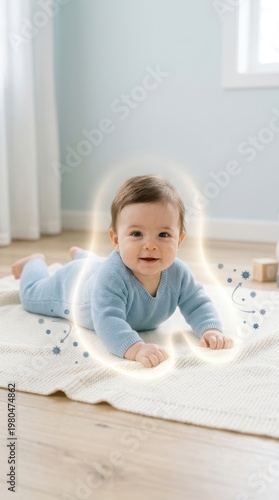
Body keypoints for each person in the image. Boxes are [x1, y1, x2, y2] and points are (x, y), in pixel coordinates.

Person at [12, 175, 234, 368]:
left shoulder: (179, 273)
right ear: (116, 240)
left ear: (180, 240)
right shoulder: (111, 277)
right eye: (137, 234)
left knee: (99, 264)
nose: (150, 245)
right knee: (31, 296)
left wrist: (210, 329)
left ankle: (84, 256)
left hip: (98, 267)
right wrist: (136, 348)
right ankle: (34, 263)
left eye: (163, 235)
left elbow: (198, 303)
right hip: (74, 285)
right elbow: (107, 320)